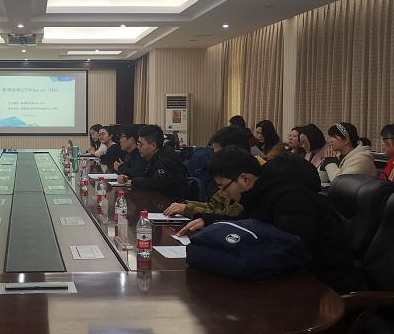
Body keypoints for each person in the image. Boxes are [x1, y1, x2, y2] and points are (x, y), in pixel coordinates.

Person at [178, 146, 363, 294]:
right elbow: (246, 222)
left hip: (323, 284)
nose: (223, 193)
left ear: (244, 179)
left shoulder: (291, 197)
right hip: (294, 278)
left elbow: (292, 247)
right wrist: (208, 221)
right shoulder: (261, 191)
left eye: (223, 186)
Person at [164, 125, 264, 219]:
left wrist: (189, 210)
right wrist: (185, 205)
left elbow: (229, 216)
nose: (214, 158)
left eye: (218, 154)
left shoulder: (246, 182)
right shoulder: (228, 178)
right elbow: (215, 205)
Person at [118, 124, 189, 201]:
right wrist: (129, 177)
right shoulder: (155, 157)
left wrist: (134, 181)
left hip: (171, 202)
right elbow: (148, 176)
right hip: (159, 200)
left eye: (141, 144)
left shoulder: (165, 161)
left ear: (153, 146)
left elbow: (156, 183)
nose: (138, 147)